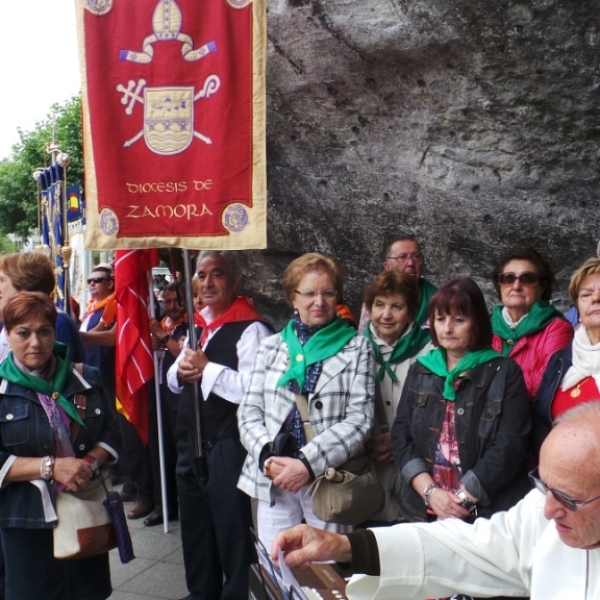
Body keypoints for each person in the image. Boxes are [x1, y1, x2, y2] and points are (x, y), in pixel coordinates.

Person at [273, 401, 600, 600]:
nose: (548, 509)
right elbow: (469, 548)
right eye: (544, 487)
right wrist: (344, 545)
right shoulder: (546, 512)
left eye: (569, 500)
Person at [237, 253, 374, 551]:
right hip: (274, 477)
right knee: (277, 565)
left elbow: (360, 420)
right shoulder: (270, 347)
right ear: (292, 297)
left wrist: (306, 464)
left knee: (326, 573)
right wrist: (267, 458)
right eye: (310, 293)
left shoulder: (357, 347)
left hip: (327, 477)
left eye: (328, 292)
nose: (319, 301)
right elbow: (249, 412)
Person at [0, 292, 119, 600]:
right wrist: (51, 467)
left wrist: (88, 462)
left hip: (85, 513)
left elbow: (112, 432)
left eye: (44, 331)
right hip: (26, 523)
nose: (35, 342)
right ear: (8, 335)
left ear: (55, 332)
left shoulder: (85, 378)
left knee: (88, 594)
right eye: (23, 333)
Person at [167, 251, 272, 600]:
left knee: (233, 531)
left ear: (235, 281)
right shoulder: (200, 326)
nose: (208, 283)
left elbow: (252, 390)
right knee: (196, 528)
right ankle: (201, 593)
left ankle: (238, 595)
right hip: (191, 442)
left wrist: (207, 368)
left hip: (229, 445)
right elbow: (173, 380)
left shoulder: (252, 328)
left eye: (218, 275)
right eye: (202, 275)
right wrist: (181, 370)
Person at [391, 278, 531, 525]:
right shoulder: (421, 370)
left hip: (483, 511)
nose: (447, 329)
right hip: (424, 508)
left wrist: (462, 501)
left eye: (458, 320)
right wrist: (430, 493)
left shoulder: (504, 372)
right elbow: (401, 435)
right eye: (440, 319)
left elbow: (511, 444)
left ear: (476, 322)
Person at [361, 270, 432, 524]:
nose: (386, 314)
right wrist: (365, 438)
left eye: (397, 306)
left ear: (411, 313)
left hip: (417, 464)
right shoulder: (355, 348)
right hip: (370, 467)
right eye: (379, 305)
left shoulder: (430, 348)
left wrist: (401, 439)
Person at [532, 257, 600, 454]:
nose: (596, 298)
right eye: (586, 294)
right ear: (577, 307)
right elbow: (539, 418)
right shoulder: (561, 359)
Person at [490, 247, 573, 399]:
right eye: (508, 278)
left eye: (527, 278)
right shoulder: (484, 326)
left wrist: (490, 381)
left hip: (531, 419)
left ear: (542, 287)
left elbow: (550, 380)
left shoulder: (557, 328)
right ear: (499, 285)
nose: (516, 286)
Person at [145, 281, 188, 527]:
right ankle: (164, 505)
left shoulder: (188, 326)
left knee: (178, 453)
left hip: (178, 400)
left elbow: (181, 354)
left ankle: (184, 503)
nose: (171, 306)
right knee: (161, 453)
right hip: (159, 394)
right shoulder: (163, 325)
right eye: (168, 301)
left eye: (176, 301)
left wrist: (162, 337)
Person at [0, 252, 86, 363]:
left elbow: (57, 376)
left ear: (24, 286)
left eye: (2, 280)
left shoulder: (55, 321)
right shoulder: (17, 319)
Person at [358, 234, 437, 333]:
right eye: (402, 257)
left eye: (416, 256)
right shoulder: (375, 295)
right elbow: (363, 335)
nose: (411, 263)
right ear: (387, 267)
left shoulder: (436, 299)